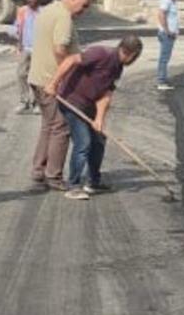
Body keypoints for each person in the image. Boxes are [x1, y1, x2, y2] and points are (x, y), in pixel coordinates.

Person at [44, 35, 143, 200]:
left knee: (98, 140)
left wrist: (99, 119)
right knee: (83, 142)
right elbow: (70, 60)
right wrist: (53, 83)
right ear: (131, 53)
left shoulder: (118, 67)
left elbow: (106, 94)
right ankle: (73, 185)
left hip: (88, 105)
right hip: (71, 100)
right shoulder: (100, 53)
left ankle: (93, 182)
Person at [28, 0, 92, 190]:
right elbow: (59, 49)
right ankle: (53, 176)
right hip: (50, 80)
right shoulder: (63, 17)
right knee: (60, 128)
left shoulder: (48, 10)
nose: (83, 12)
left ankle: (39, 171)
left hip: (38, 77)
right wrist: (68, 74)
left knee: (49, 125)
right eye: (83, 7)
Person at [11, 0, 41, 113]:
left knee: (36, 77)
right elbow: (17, 27)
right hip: (25, 48)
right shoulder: (22, 11)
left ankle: (37, 103)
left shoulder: (43, 12)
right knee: (21, 75)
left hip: (39, 50)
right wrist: (15, 36)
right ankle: (24, 101)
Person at [155, 0, 180, 91]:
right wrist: (167, 31)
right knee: (164, 58)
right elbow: (161, 15)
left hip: (170, 34)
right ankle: (161, 81)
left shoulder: (172, 1)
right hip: (166, 34)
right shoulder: (166, 1)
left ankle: (163, 78)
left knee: (166, 57)